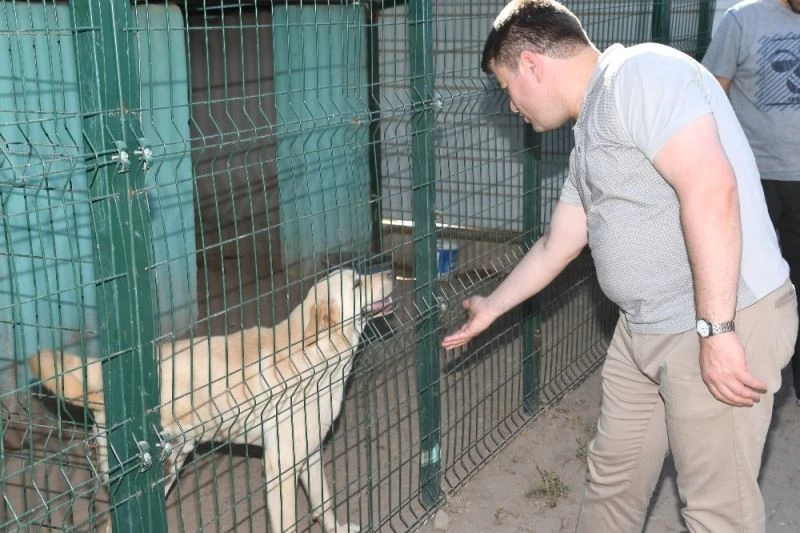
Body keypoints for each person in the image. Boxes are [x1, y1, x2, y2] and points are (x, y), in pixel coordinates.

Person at [441, 0, 798, 531]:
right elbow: (557, 244)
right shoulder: (590, 130)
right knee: (612, 480)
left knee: (716, 511)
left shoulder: (641, 74)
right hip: (643, 329)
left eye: (506, 87)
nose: (511, 106)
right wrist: (491, 308)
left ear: (532, 66)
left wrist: (718, 330)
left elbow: (711, 189)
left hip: (718, 319)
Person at [702, 0, 800, 406]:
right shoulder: (740, 20)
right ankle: (736, 373)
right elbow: (710, 95)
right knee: (739, 283)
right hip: (751, 180)